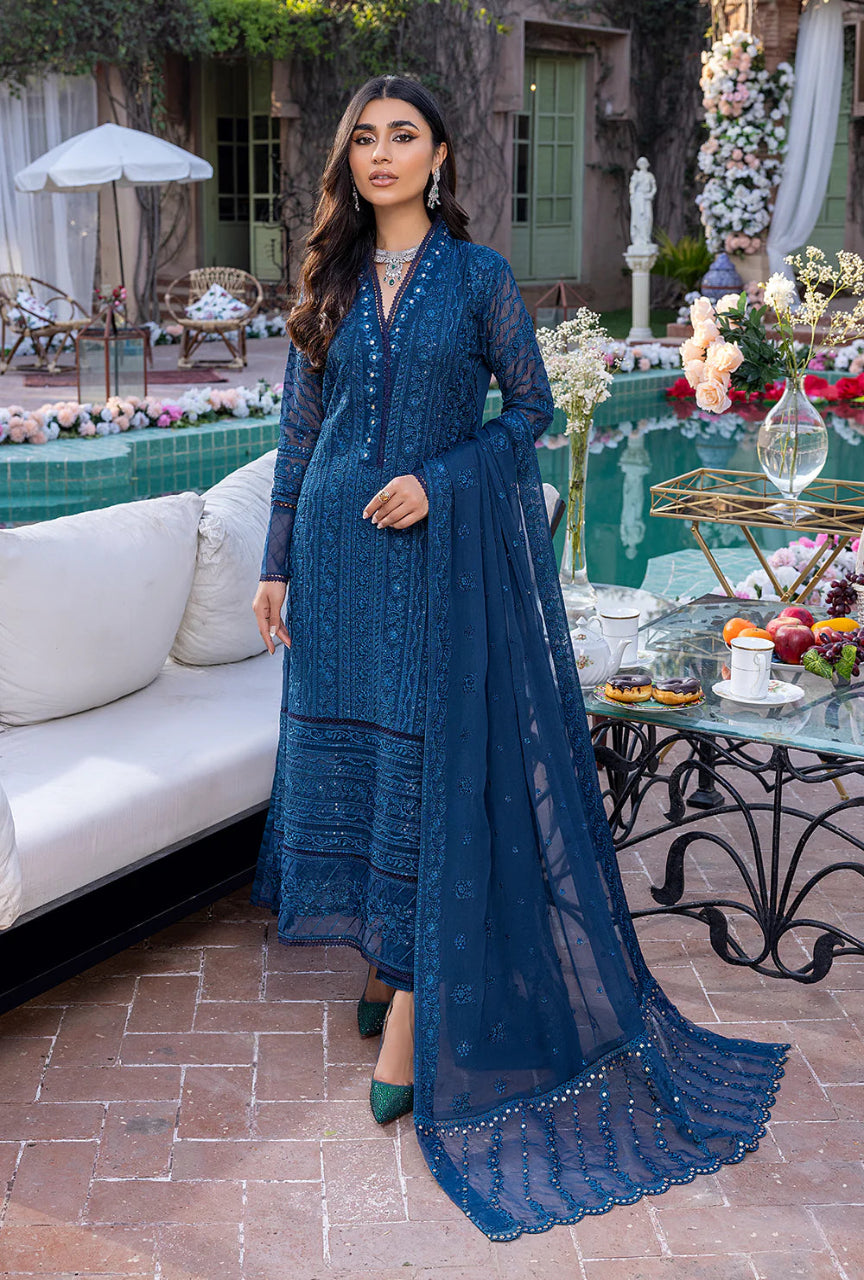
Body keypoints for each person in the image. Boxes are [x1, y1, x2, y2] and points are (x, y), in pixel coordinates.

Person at [251, 74, 789, 1242]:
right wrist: (276, 560)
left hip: (431, 561)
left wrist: (438, 481)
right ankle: (383, 960)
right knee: (357, 764)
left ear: (441, 154)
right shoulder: (331, 275)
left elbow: (530, 411)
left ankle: (411, 1003)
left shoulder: (480, 277)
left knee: (421, 766)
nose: (381, 155)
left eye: (403, 136)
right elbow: (300, 433)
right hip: (336, 568)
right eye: (364, 139)